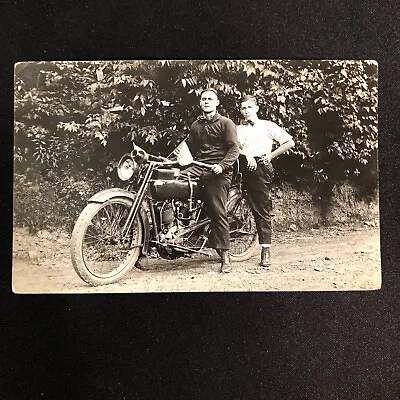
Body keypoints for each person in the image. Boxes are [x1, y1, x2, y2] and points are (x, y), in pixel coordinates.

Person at [180, 88, 240, 273]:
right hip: (199, 166)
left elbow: (234, 150)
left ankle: (225, 257)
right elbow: (189, 149)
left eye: (210, 99)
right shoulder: (195, 125)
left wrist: (222, 166)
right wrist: (178, 160)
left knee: (216, 209)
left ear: (217, 103)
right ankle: (184, 228)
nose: (206, 101)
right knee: (172, 183)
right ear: (200, 103)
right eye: (203, 99)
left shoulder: (226, 123)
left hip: (220, 171)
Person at [236, 95, 295, 267]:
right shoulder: (239, 128)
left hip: (260, 168)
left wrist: (270, 155)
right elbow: (233, 147)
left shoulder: (267, 126)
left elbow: (289, 142)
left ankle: (265, 250)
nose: (246, 111)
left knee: (261, 209)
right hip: (241, 166)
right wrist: (246, 156)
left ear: (256, 108)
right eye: (243, 108)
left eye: (249, 107)